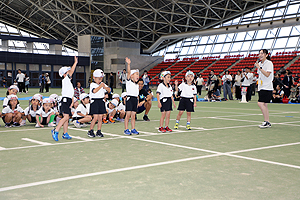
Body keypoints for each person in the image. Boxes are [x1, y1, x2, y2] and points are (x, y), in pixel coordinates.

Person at [51, 56, 78, 141]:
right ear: (64, 74)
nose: (70, 72)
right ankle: (55, 130)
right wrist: (75, 63)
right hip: (65, 100)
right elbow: (72, 71)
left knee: (67, 117)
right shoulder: (66, 79)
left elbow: (70, 93)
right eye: (68, 71)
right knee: (66, 117)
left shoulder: (68, 81)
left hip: (68, 100)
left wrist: (72, 102)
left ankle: (65, 133)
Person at [87, 69, 111, 137]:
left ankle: (99, 131)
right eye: (99, 78)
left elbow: (109, 90)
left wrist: (105, 87)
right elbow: (94, 91)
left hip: (101, 101)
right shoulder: (92, 84)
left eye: (101, 78)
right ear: (94, 77)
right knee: (95, 117)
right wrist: (100, 86)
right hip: (94, 101)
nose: (100, 80)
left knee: (100, 117)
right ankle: (90, 130)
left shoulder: (102, 84)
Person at [255, 49, 274, 128]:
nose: (260, 55)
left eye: (262, 53)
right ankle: (267, 121)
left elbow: (267, 74)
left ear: (266, 55)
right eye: (259, 53)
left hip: (267, 87)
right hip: (261, 86)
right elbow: (260, 75)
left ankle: (267, 121)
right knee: (265, 105)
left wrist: (259, 67)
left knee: (260, 103)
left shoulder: (269, 63)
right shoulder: (259, 63)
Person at [124, 57, 140, 135]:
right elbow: (128, 72)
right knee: (128, 115)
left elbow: (137, 95)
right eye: (136, 74)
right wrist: (129, 64)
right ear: (131, 76)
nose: (138, 76)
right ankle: (126, 129)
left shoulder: (136, 85)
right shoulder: (129, 82)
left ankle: (133, 128)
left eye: (138, 75)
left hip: (135, 100)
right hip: (129, 99)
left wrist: (137, 101)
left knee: (133, 116)